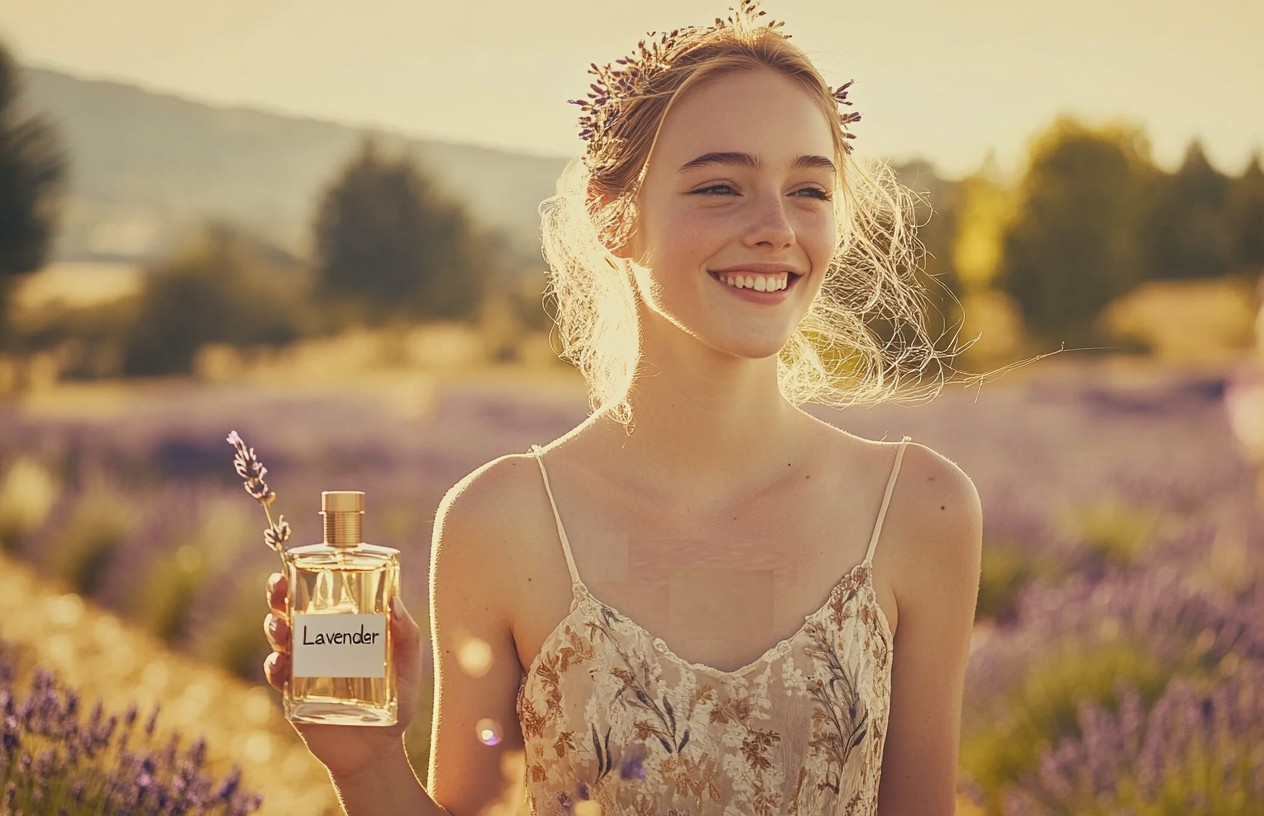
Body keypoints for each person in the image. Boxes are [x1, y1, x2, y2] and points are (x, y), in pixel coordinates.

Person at [262, 2, 982, 813]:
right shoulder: (501, 522)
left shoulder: (921, 509)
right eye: (720, 186)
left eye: (808, 189)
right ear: (614, 216)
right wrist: (366, 766)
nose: (776, 227)